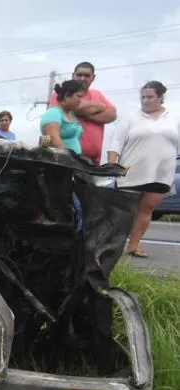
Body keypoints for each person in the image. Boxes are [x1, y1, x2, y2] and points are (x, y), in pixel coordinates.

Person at [108, 81, 180, 258]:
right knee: (124, 210)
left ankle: (133, 246)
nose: (145, 101)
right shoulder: (131, 118)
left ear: (160, 97)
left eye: (150, 97)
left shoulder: (174, 118)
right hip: (132, 170)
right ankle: (110, 244)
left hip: (161, 172)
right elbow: (115, 142)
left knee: (147, 208)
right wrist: (112, 165)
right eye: (143, 97)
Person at [48, 62, 117, 165]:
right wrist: (98, 107)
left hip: (92, 162)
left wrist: (84, 113)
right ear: (73, 75)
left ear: (93, 78)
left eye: (87, 75)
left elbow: (112, 114)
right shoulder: (62, 93)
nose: (82, 78)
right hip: (67, 159)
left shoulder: (97, 94)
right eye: (79, 75)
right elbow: (76, 107)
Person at [40, 81, 85, 155]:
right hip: (61, 162)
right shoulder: (52, 113)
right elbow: (53, 141)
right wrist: (70, 161)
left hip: (74, 162)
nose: (80, 101)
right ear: (67, 96)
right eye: (79, 96)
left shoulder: (71, 114)